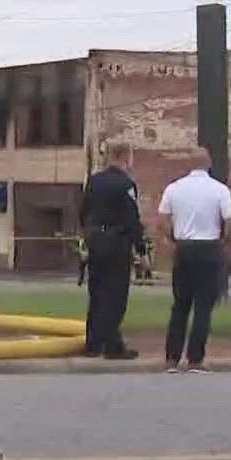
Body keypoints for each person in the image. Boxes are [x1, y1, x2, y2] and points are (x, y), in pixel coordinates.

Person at [157, 146, 231, 374]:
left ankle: (172, 359)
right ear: (209, 163)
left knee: (180, 305)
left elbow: (162, 220)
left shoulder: (174, 188)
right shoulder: (220, 190)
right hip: (209, 247)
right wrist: (225, 243)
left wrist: (171, 242)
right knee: (203, 306)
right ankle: (195, 359)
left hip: (184, 247)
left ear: (189, 164)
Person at [82, 143, 144, 359]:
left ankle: (92, 343)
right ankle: (112, 345)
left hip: (95, 240)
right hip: (117, 242)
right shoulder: (126, 185)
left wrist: (87, 237)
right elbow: (132, 218)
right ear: (125, 157)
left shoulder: (94, 181)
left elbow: (84, 210)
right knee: (115, 296)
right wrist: (141, 248)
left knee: (97, 292)